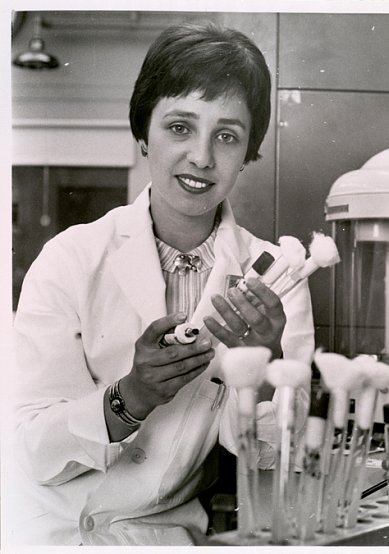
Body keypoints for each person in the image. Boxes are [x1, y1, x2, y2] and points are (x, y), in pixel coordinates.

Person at [12, 21, 314, 546]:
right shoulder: (69, 259)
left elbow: (275, 457)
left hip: (159, 538)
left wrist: (261, 373)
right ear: (142, 133)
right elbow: (30, 450)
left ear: (248, 153)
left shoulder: (275, 277)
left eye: (226, 135)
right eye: (179, 127)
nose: (201, 156)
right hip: (39, 531)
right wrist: (130, 396)